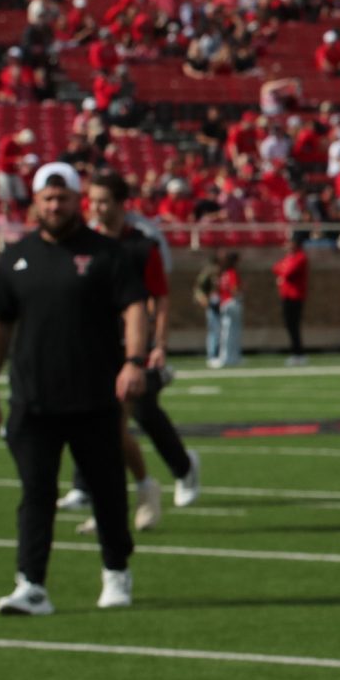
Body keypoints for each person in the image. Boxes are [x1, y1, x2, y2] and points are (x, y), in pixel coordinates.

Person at [0, 163, 149, 616]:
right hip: (32, 398)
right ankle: (32, 584)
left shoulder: (107, 254)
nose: (55, 205)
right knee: (36, 493)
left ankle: (116, 569)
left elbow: (135, 308)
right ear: (36, 203)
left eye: (63, 198)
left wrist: (135, 361)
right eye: (47, 198)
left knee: (106, 490)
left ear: (77, 200)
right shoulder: (14, 258)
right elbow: (1, 326)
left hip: (93, 396)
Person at [63, 171, 200, 534]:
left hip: (130, 351)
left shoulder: (142, 245)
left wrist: (158, 345)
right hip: (92, 346)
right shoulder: (81, 243)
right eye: (92, 200)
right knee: (100, 428)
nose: (97, 208)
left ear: (123, 203)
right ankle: (118, 494)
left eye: (104, 201)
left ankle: (155, 482)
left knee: (121, 423)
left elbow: (160, 297)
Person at [274, 231, 310, 365]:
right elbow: (276, 267)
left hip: (295, 296)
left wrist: (283, 269)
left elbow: (287, 272)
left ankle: (298, 353)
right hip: (286, 295)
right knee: (289, 325)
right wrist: (283, 267)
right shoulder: (290, 257)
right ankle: (296, 352)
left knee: (293, 325)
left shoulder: (300, 257)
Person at [208, 251, 243, 368]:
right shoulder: (231, 273)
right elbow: (234, 289)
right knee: (230, 333)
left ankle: (229, 357)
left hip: (226, 303)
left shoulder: (225, 273)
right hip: (231, 302)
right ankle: (229, 357)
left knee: (228, 333)